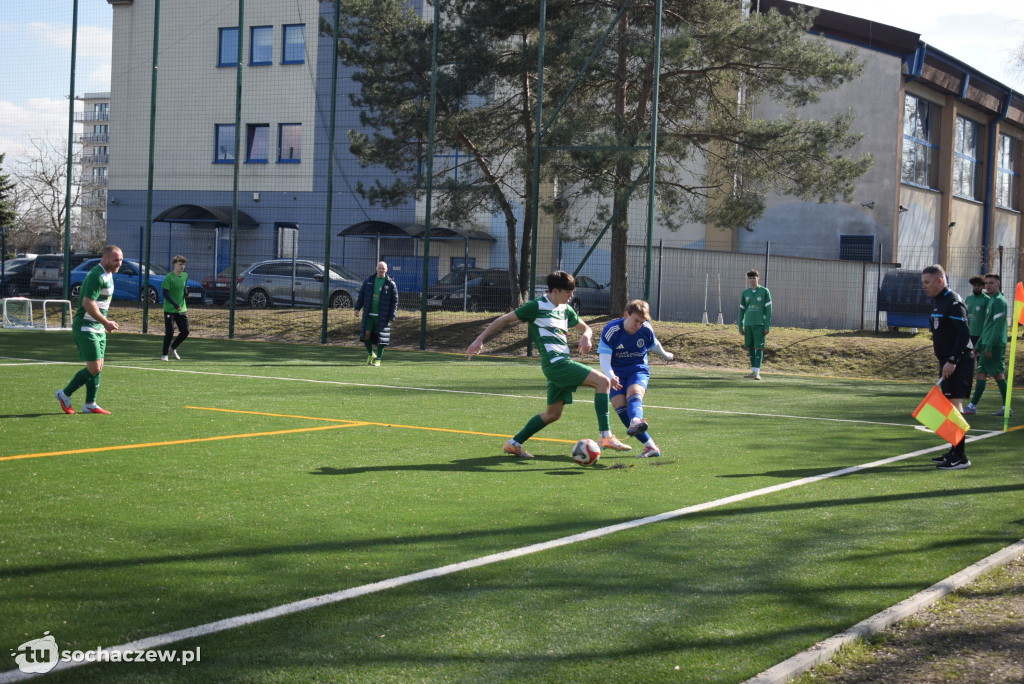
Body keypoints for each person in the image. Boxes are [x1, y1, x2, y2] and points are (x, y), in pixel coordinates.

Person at [466, 270, 630, 459]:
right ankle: (606, 436)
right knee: (603, 382)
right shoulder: (536, 306)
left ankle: (513, 444)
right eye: (568, 292)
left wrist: (586, 336)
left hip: (560, 364)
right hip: (556, 365)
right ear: (554, 291)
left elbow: (586, 327)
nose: (571, 296)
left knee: (552, 414)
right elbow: (504, 319)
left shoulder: (565, 308)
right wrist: (479, 339)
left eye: (573, 292)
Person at [598, 299, 675, 458]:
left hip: (637, 369)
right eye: (636, 321)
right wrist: (611, 376)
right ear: (626, 314)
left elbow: (654, 344)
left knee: (634, 393)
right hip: (616, 373)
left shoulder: (645, 329)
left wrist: (666, 355)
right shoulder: (612, 330)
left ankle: (636, 420)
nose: (638, 325)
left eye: (641, 322)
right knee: (620, 406)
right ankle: (651, 447)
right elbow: (604, 359)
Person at [55, 245, 122, 415]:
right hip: (85, 326)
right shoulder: (96, 275)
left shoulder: (108, 274)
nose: (119, 263)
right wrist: (106, 322)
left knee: (98, 366)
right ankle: (64, 394)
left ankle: (90, 404)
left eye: (121, 260)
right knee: (93, 367)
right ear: (105, 259)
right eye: (115, 260)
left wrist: (103, 323)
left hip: (97, 326)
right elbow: (88, 303)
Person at [921, 264, 974, 470]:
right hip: (947, 362)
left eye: (927, 282)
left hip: (958, 362)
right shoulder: (939, 301)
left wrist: (952, 360)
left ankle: (960, 456)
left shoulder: (953, 301)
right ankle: (954, 451)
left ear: (940, 281)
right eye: (923, 282)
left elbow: (963, 333)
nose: (924, 286)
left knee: (954, 406)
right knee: (948, 406)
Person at [965, 273, 1010, 417]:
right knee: (998, 375)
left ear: (998, 284)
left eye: (991, 283)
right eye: (987, 283)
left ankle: (972, 406)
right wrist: (979, 344)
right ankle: (1006, 407)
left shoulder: (999, 302)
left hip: (993, 344)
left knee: (982, 373)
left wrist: (989, 345)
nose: (988, 285)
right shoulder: (992, 300)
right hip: (988, 342)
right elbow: (988, 325)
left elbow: (998, 326)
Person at [355, 260, 398, 367]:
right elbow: (362, 295)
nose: (381, 270)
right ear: (376, 268)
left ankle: (378, 359)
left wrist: (392, 316)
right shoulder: (368, 281)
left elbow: (394, 301)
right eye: (379, 268)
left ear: (386, 270)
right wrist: (357, 308)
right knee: (366, 335)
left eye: (383, 268)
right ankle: (371, 354)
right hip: (369, 315)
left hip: (383, 316)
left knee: (381, 337)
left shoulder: (390, 284)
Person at [738, 269, 772, 380]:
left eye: (754, 277)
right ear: (748, 280)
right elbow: (741, 311)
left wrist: (767, 325)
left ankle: (757, 372)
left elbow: (769, 310)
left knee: (759, 347)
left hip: (759, 324)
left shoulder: (764, 291)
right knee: (751, 347)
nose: (752, 280)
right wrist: (740, 325)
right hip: (748, 324)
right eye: (750, 278)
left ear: (758, 278)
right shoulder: (745, 293)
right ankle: (753, 371)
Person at [160, 255, 191, 361]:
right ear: (174, 264)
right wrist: (175, 304)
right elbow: (165, 293)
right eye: (180, 264)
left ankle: (172, 348)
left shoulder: (185, 275)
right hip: (170, 309)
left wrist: (186, 293)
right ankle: (164, 355)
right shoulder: (169, 277)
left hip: (182, 309)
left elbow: (184, 287)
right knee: (170, 332)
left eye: (183, 264)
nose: (182, 266)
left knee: (185, 331)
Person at [964, 275, 988, 351]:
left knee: (979, 355)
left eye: (979, 285)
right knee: (968, 354)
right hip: (968, 332)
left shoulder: (987, 299)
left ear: (983, 286)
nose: (976, 287)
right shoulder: (968, 298)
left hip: (980, 333)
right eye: (974, 285)